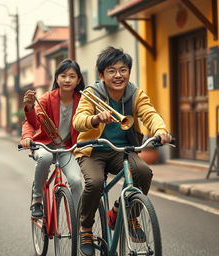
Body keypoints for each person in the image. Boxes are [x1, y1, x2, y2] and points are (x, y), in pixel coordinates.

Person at [73, 46, 172, 256]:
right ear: (102, 75)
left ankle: (123, 212)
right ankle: (86, 229)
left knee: (143, 173)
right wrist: (95, 118)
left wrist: (161, 130)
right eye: (111, 70)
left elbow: (149, 113)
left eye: (123, 69)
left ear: (129, 71)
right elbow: (78, 121)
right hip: (93, 150)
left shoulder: (135, 94)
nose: (118, 75)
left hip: (123, 150)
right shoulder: (91, 94)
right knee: (95, 183)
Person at [20, 59, 85, 218]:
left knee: (76, 182)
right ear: (56, 79)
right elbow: (31, 122)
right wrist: (27, 136)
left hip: (67, 148)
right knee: (45, 157)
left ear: (78, 80)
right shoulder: (47, 99)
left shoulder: (83, 101)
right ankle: (37, 199)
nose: (67, 80)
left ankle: (79, 225)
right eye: (63, 76)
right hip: (45, 145)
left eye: (72, 76)